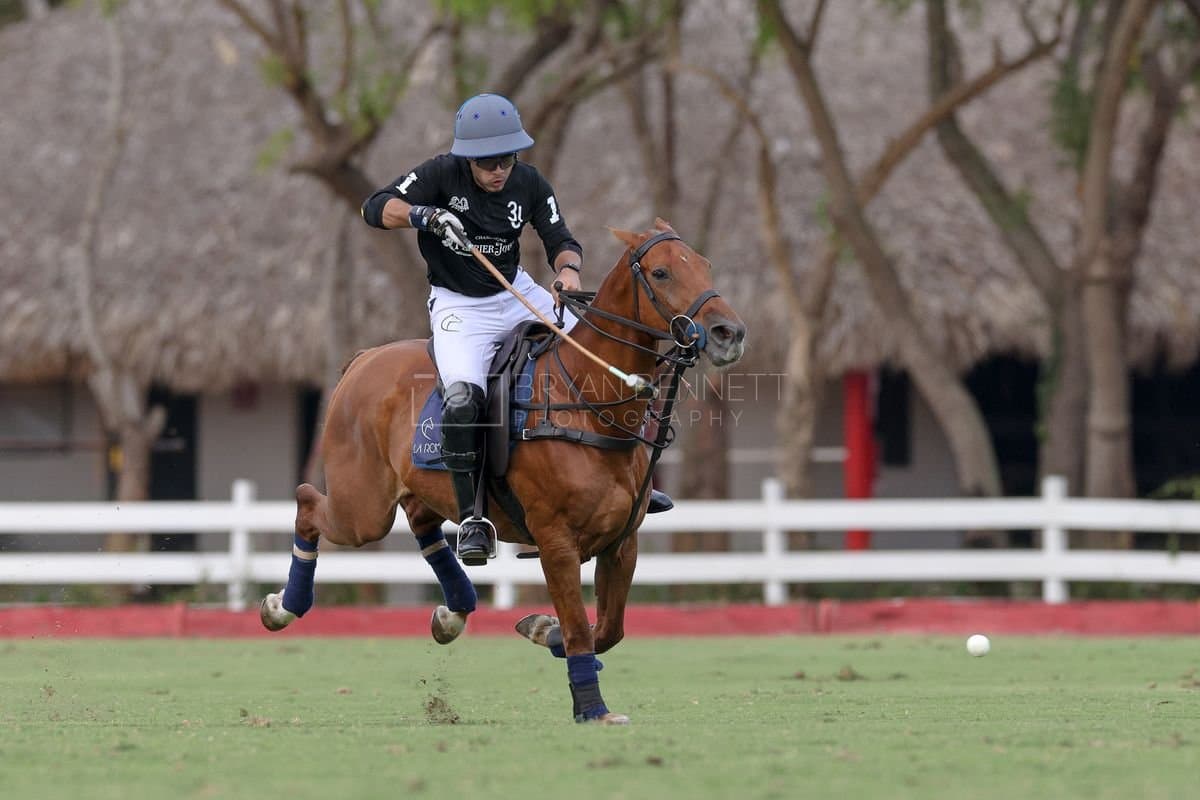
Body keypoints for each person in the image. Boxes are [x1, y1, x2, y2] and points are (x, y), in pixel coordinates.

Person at [360, 92, 672, 567]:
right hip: (459, 306)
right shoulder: (441, 174)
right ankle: (472, 519)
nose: (499, 170)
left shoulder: (528, 183)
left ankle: (638, 481)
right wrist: (424, 214)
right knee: (465, 399)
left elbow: (561, 239)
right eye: (488, 163)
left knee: (605, 358)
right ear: (468, 158)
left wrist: (568, 272)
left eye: (507, 158)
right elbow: (375, 207)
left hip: (516, 293)